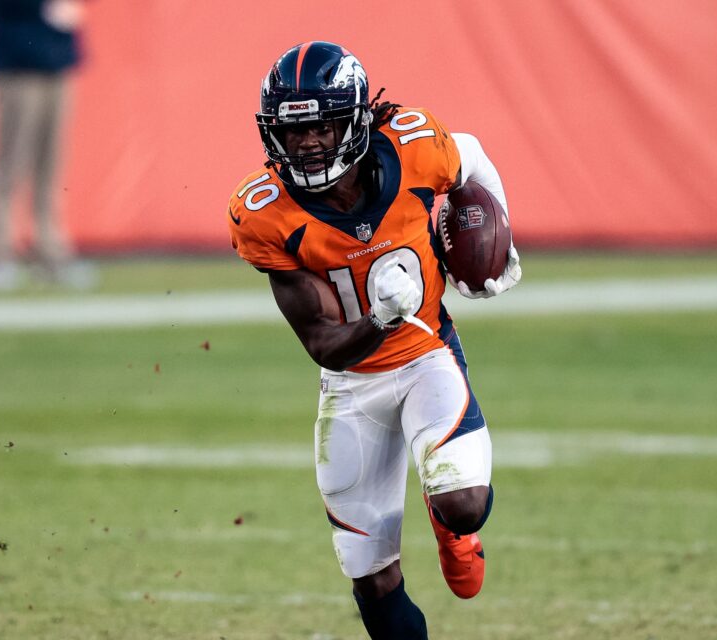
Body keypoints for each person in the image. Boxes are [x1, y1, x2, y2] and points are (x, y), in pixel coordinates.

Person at [227, 41, 521, 639]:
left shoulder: (415, 146)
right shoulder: (265, 214)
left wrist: (497, 243)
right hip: (352, 385)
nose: (307, 143)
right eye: (293, 131)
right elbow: (322, 341)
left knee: (462, 500)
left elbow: (471, 155)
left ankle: (452, 528)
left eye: (323, 125)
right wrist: (380, 319)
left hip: (426, 356)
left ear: (357, 120)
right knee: (372, 575)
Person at [0, 0, 95, 290]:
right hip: (19, 65)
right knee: (11, 164)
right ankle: (0, 254)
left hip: (57, 61)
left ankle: (51, 251)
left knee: (51, 165)